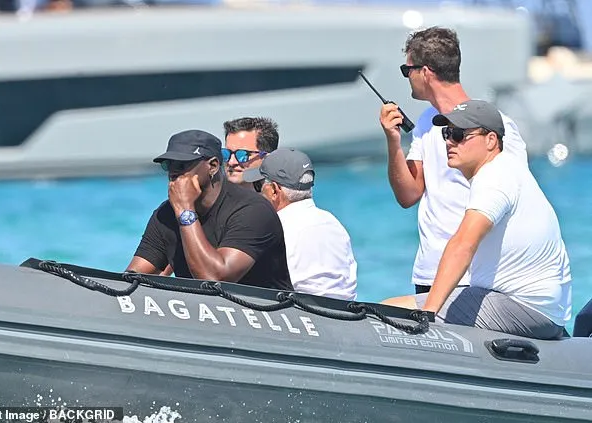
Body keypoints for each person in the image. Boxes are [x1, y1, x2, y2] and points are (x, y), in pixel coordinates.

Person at [381, 100, 572, 340]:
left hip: (523, 307)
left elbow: (463, 244)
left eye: (460, 134)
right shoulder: (510, 169)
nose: (450, 141)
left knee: (389, 310)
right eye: (447, 133)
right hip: (543, 309)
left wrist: (428, 313)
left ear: (491, 140)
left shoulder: (494, 178)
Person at [379, 26, 528, 294]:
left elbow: (518, 196)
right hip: (429, 272)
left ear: (425, 72)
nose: (406, 77)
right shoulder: (427, 122)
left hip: (475, 275)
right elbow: (408, 195)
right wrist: (393, 141)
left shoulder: (496, 126)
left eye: (407, 70)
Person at [126, 129, 293, 291]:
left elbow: (215, 280)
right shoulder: (166, 215)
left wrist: (186, 210)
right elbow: (132, 278)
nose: (174, 172)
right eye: (168, 165)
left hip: (261, 313)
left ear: (213, 166)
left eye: (183, 164)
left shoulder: (253, 210)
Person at [243, 148, 358, 301]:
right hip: (346, 314)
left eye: (258, 185)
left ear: (274, 191)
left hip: (301, 316)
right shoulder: (333, 223)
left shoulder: (274, 229)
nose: (256, 192)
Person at [223, 117, 279, 189]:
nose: (231, 162)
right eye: (226, 153)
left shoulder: (288, 197)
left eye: (243, 155)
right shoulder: (211, 196)